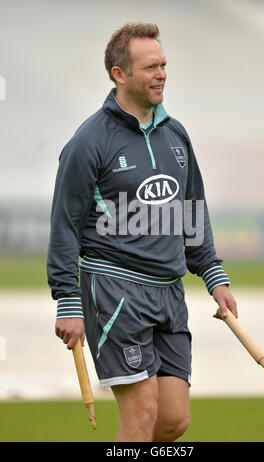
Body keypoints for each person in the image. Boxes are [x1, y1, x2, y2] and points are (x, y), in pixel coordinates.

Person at [47, 22, 238, 442]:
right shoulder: (88, 142)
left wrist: (214, 276)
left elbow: (192, 213)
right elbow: (64, 227)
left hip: (169, 292)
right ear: (120, 74)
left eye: (164, 65)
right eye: (150, 66)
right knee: (142, 412)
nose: (162, 74)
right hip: (116, 290)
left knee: (171, 421)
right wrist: (67, 301)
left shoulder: (176, 135)